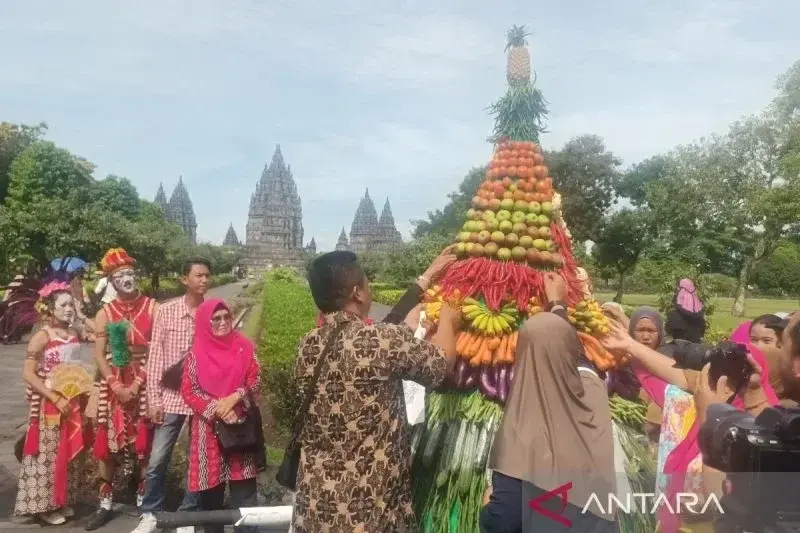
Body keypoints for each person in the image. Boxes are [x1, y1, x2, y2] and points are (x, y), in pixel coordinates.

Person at [292, 251, 459, 532]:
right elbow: (440, 365)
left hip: (315, 506)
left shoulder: (306, 345)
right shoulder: (381, 340)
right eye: (368, 284)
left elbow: (371, 344)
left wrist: (424, 283)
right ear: (357, 293)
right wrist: (448, 322)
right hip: (371, 509)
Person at [601, 321, 779, 533]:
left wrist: (710, 415)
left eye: (765, 341)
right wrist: (630, 344)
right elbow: (680, 375)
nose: (723, 380)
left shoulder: (767, 420)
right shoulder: (715, 391)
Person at [481, 303, 617, 532]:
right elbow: (582, 362)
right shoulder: (594, 394)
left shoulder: (520, 430)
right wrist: (558, 305)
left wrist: (487, 507)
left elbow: (504, 520)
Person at [130, 258, 211, 533]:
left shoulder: (212, 312)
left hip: (200, 399)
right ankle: (151, 512)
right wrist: (153, 400)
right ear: (184, 279)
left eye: (207, 276)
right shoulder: (166, 311)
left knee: (197, 459)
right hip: (171, 397)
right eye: (198, 275)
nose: (204, 281)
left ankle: (187, 515)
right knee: (157, 459)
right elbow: (155, 358)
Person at [86, 248, 158, 531]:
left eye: (130, 273)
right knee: (108, 446)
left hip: (144, 379)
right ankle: (105, 504)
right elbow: (99, 355)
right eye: (120, 275)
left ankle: (145, 502)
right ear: (111, 282)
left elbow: (158, 350)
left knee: (144, 445)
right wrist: (115, 384)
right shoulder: (105, 313)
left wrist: (138, 381)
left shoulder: (153, 307)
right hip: (113, 382)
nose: (127, 279)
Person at [181, 299, 264, 533]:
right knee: (210, 494)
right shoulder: (196, 354)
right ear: (205, 323)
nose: (223, 322)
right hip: (208, 431)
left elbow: (255, 379)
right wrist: (218, 409)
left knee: (244, 492)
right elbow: (189, 391)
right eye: (215, 319)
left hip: (240, 427)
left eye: (226, 317)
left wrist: (234, 399)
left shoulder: (244, 347)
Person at [14, 281, 91, 525]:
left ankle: (63, 499)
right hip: (49, 401)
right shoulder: (41, 336)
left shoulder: (74, 333)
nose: (69, 309)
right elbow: (28, 374)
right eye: (64, 305)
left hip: (73, 398)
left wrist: (81, 313)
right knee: (47, 453)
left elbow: (101, 331)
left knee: (69, 452)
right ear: (50, 308)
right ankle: (44, 506)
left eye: (71, 304)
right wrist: (55, 397)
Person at [628, 307, 667, 444]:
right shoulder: (621, 359)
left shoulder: (667, 362)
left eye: (651, 331)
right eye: (640, 330)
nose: (645, 337)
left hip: (654, 436)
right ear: (631, 332)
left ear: (660, 333)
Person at [665, 279, 706, 343]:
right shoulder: (700, 317)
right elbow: (701, 334)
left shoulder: (673, 315)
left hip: (678, 350)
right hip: (695, 350)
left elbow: (668, 333)